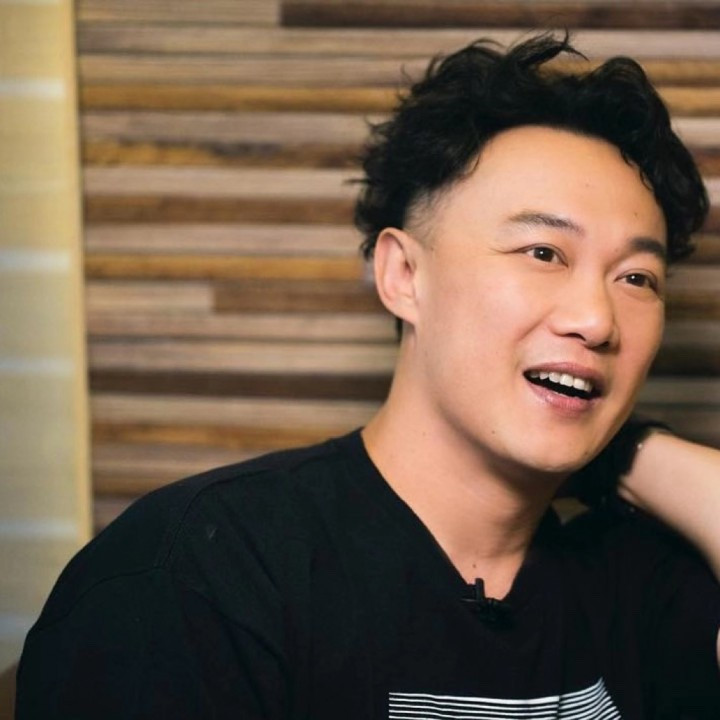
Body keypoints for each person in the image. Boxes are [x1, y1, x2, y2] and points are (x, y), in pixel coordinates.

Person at [16, 33, 720, 718]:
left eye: (637, 277)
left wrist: (629, 453)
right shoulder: (201, 575)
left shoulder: (641, 590)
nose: (596, 320)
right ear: (404, 275)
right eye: (543, 252)